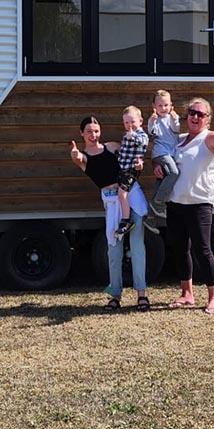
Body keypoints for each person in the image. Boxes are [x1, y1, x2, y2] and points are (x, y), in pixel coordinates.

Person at [69, 113, 150, 311]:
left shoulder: (112, 146)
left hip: (131, 194)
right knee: (114, 250)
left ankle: (142, 294)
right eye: (88, 132)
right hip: (112, 202)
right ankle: (115, 295)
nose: (93, 135)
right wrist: (74, 154)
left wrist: (140, 164)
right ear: (82, 133)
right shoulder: (84, 157)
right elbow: (78, 158)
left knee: (137, 246)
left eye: (96, 131)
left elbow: (133, 154)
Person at [164, 97, 214, 315]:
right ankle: (187, 294)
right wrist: (159, 169)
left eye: (200, 114)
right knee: (179, 249)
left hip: (199, 203)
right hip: (176, 202)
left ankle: (213, 298)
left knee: (203, 250)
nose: (195, 117)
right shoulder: (180, 140)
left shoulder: (210, 138)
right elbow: (168, 165)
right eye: (192, 113)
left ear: (207, 119)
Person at [112, 106, 149, 240]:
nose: (130, 125)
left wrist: (132, 136)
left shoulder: (141, 135)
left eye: (132, 122)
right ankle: (127, 217)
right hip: (124, 168)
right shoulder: (127, 135)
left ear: (140, 121)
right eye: (126, 123)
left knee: (122, 194)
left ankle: (126, 220)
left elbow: (142, 142)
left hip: (131, 170)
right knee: (121, 194)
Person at [145, 89, 181, 226]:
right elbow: (152, 132)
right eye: (160, 106)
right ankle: (158, 202)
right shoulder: (155, 120)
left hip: (170, 154)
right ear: (154, 106)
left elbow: (176, 129)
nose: (163, 108)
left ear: (171, 105)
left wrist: (174, 117)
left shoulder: (172, 118)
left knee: (161, 181)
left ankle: (150, 219)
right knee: (174, 172)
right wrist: (152, 121)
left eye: (166, 105)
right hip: (160, 153)